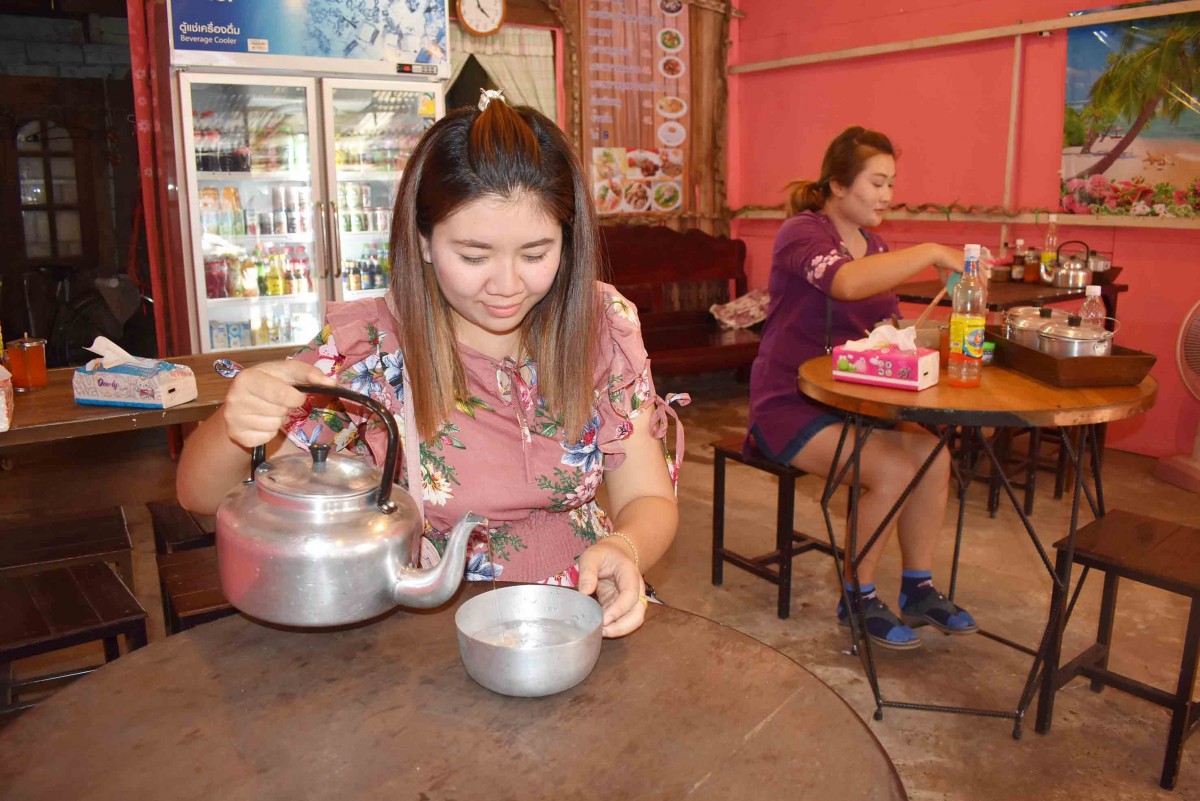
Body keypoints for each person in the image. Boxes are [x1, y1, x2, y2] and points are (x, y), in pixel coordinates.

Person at [176, 91, 685, 639]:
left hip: (585, 614)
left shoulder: (602, 323)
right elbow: (199, 496)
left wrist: (622, 549)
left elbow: (648, 497)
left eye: (536, 254)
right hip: (433, 627)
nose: (507, 286)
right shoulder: (371, 345)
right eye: (473, 256)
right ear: (422, 241)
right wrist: (240, 420)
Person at [747, 125, 976, 651]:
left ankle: (918, 587)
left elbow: (883, 324)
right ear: (837, 185)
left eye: (892, 184)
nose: (886, 196)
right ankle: (858, 597)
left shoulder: (875, 245)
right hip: (791, 402)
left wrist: (916, 338)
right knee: (892, 469)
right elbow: (845, 283)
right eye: (877, 182)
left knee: (935, 454)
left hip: (855, 397)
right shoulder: (801, 234)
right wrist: (932, 250)